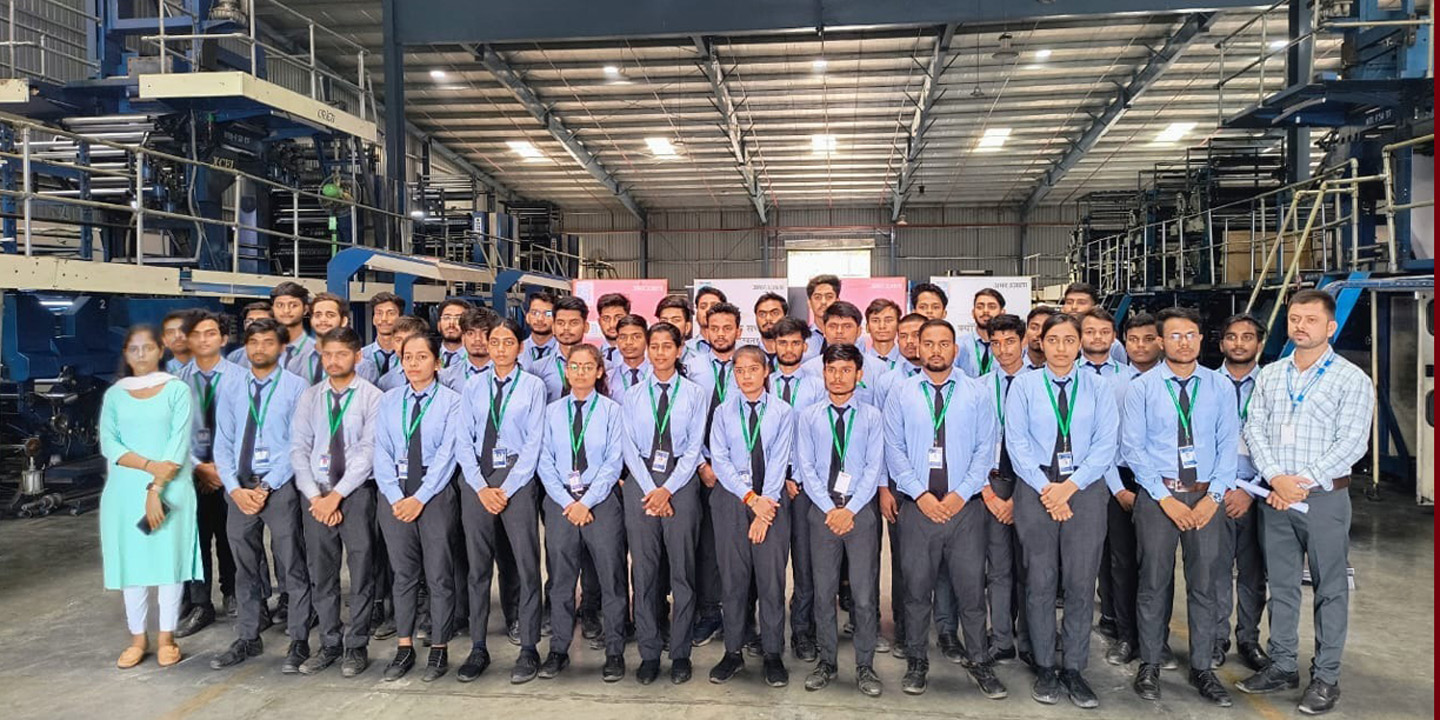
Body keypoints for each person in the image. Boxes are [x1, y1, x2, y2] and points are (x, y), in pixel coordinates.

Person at [1235, 290, 1374, 716]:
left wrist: (1301, 482)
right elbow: (1254, 428)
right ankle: (1281, 665)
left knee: (1330, 590)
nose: (1300, 326)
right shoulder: (1272, 375)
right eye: (1295, 318)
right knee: (1281, 586)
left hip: (1323, 499)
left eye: (1311, 320)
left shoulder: (1351, 379)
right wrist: (1276, 478)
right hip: (1276, 497)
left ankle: (1326, 677)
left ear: (1330, 327)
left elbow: (1352, 442)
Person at [1123, 307, 1238, 707]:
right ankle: (1150, 663)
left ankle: (1203, 667)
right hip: (1159, 497)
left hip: (1206, 498)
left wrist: (1214, 497)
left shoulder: (1219, 386)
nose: (1183, 342)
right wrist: (1165, 498)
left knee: (1205, 584)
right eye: (1174, 336)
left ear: (1201, 339)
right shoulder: (1142, 388)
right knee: (1153, 583)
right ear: (1160, 341)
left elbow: (1228, 444)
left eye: (1190, 334)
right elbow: (1132, 448)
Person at [883, 319, 1003, 699]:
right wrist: (920, 495)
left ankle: (979, 661)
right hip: (918, 509)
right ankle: (917, 661)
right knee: (917, 591)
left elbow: (986, 448)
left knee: (971, 592)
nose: (936, 350)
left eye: (944, 343)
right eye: (929, 343)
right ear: (918, 348)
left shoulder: (976, 392)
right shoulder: (902, 392)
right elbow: (894, 449)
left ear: (955, 349)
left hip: (965, 509)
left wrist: (960, 495)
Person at [1004, 312, 1119, 708]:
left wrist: (1068, 488)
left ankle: (1073, 667)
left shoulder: (1098, 387)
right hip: (1036, 487)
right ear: (1041, 343)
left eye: (1070, 340)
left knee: (1080, 582)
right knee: (1039, 580)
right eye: (1053, 340)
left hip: (1083, 489)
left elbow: (1105, 443)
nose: (1061, 348)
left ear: (1079, 344)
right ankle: (1044, 667)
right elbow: (1016, 442)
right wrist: (1047, 490)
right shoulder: (1025, 385)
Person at [209, 319, 311, 673]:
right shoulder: (231, 387)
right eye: (253, 342)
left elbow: (297, 443)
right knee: (244, 566)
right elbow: (223, 442)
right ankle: (249, 636)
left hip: (279, 488)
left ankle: (299, 639)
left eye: (268, 342)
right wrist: (234, 488)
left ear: (281, 348)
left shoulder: (297, 388)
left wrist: (266, 487)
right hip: (239, 490)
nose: (259, 348)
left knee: (291, 562)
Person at [100, 325, 202, 669]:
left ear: (161, 350)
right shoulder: (115, 395)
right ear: (126, 355)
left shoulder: (177, 390)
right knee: (133, 564)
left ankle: (166, 638)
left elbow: (178, 442)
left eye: (147, 347)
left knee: (167, 562)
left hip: (171, 488)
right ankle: (137, 638)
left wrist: (156, 488)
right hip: (125, 490)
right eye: (134, 349)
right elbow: (110, 443)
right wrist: (148, 467)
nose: (141, 354)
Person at [456, 317, 549, 684]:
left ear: (519, 347)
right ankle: (478, 647)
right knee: (478, 568)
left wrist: (507, 488)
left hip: (517, 480)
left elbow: (534, 441)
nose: (500, 348)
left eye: (508, 342)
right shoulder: (473, 386)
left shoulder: (533, 387)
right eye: (494, 341)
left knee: (527, 565)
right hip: (478, 480)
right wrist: (480, 487)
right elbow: (463, 439)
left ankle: (528, 647)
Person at [289, 327, 383, 678]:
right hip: (316, 495)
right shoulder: (310, 397)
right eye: (327, 354)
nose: (333, 361)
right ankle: (329, 642)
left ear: (357, 356)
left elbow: (368, 451)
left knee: (361, 571)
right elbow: (299, 447)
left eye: (341, 354)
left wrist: (337, 496)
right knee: (322, 573)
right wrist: (316, 497)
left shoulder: (373, 397)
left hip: (355, 495)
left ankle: (356, 645)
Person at [621, 322, 709, 685]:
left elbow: (694, 447)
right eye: (653, 346)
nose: (659, 353)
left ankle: (681, 652)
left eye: (666, 346)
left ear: (679, 350)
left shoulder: (694, 394)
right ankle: (649, 652)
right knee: (644, 572)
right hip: (641, 483)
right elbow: (628, 446)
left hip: (681, 483)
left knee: (682, 571)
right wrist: (652, 490)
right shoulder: (632, 395)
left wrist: (668, 489)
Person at [536, 344, 630, 683]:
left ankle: (615, 651)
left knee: (612, 579)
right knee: (561, 581)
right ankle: (558, 650)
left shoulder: (612, 411)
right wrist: (567, 501)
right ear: (566, 371)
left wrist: (586, 502)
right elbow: (543, 459)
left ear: (599, 371)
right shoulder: (551, 412)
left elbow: (614, 461)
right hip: (560, 501)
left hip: (600, 502)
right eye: (574, 366)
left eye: (588, 366)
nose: (580, 372)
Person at [373, 332, 462, 683]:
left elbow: (447, 455)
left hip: (434, 494)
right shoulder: (389, 401)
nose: (414, 363)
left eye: (422, 356)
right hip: (395, 493)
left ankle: (439, 647)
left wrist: (420, 497)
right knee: (403, 574)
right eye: (408, 357)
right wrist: (395, 496)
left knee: (439, 574)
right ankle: (404, 645)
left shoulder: (452, 402)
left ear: (436, 362)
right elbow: (381, 450)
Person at [796, 344, 885, 697]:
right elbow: (806, 466)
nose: (838, 377)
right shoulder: (809, 416)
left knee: (863, 596)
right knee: (823, 593)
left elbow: (873, 467)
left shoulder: (872, 417)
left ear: (858, 375)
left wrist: (850, 509)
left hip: (860, 514)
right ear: (823, 373)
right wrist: (829, 508)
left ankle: (865, 665)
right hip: (821, 514)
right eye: (831, 370)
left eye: (846, 370)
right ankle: (827, 662)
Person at [706, 346, 795, 688]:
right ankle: (732, 651)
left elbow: (779, 460)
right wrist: (749, 499)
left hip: (771, 504)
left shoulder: (782, 412)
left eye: (752, 369)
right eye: (739, 370)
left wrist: (764, 506)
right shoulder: (723, 412)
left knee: (771, 582)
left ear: (766, 371)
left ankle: (772, 653)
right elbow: (720, 459)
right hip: (733, 501)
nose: (746, 376)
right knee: (733, 581)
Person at [173, 312, 242, 638]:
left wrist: (223, 470)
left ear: (223, 339)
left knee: (233, 536)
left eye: (211, 333)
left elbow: (249, 428)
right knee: (194, 540)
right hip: (192, 472)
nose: (203, 340)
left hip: (232, 473)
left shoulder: (242, 379)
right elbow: (172, 432)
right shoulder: (175, 383)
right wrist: (199, 467)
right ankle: (201, 603)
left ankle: (234, 592)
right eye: (197, 334)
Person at [1214, 313, 1271, 673]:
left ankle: (1248, 639)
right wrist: (1221, 488)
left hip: (1258, 493)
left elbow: (1279, 442)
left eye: (1247, 337)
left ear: (1259, 343)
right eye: (1232, 337)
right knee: (1215, 570)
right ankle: (1217, 638)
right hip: (1216, 493)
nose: (1239, 344)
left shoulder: (1272, 384)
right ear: (1222, 343)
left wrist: (1252, 491)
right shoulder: (1205, 383)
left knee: (1253, 572)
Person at [870, 311, 927, 657]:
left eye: (916, 335)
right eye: (903, 336)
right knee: (903, 560)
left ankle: (943, 629)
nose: (909, 342)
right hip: (898, 483)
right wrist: (883, 487)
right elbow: (880, 437)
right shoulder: (887, 381)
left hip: (939, 482)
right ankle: (904, 630)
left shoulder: (956, 381)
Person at [769, 317, 825, 662]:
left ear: (805, 346)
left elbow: (819, 436)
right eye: (782, 342)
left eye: (795, 343)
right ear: (773, 345)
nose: (788, 349)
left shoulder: (818, 386)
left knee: (805, 563)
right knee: (770, 563)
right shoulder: (761, 381)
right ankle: (766, 629)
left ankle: (803, 630)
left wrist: (798, 477)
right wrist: (779, 479)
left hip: (805, 487)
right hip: (769, 488)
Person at [977, 313, 1030, 666]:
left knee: (1031, 567)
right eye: (996, 343)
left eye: (1010, 341)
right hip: (993, 482)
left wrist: (1023, 494)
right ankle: (1000, 638)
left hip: (1030, 485)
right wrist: (987, 491)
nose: (1003, 350)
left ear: (1023, 342)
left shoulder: (1040, 384)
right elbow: (973, 442)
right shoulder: (979, 387)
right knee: (997, 567)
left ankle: (1030, 637)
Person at [688, 301, 742, 645]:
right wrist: (701, 465)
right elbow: (683, 422)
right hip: (702, 470)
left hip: (738, 475)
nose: (720, 334)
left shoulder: (750, 366)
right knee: (706, 547)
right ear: (705, 330)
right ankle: (709, 613)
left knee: (738, 546)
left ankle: (741, 615)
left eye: (727, 328)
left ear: (738, 330)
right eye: (714, 328)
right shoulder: (691, 366)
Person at [289, 292, 366, 385]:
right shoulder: (296, 363)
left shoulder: (361, 366)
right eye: (318, 315)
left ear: (344, 321)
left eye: (330, 315)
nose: (323, 320)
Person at [1061, 282, 1125, 364]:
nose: (1074, 307)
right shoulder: (1054, 338)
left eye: (1081, 303)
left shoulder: (1112, 345)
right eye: (1069, 302)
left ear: (1095, 307)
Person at [440, 307, 498, 392]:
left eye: (484, 333)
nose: (478, 339)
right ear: (463, 338)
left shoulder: (509, 373)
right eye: (471, 333)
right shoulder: (447, 377)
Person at [955, 289, 1005, 378]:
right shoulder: (959, 344)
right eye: (980, 307)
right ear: (973, 312)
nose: (985, 311)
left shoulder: (1008, 346)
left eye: (991, 307)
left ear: (1002, 313)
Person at [360, 292, 405, 382]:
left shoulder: (408, 356)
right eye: (379, 313)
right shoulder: (360, 356)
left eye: (391, 313)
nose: (384, 318)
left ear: (401, 318)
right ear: (373, 319)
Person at [608, 314, 652, 399]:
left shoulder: (658, 375)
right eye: (623, 337)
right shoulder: (608, 379)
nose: (628, 342)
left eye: (636, 337)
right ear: (617, 340)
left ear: (647, 339)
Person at [803, 275, 841, 360]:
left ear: (837, 301)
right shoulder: (801, 338)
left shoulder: (853, 338)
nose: (823, 302)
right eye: (817, 297)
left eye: (829, 297)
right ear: (809, 303)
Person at [656, 295, 700, 368]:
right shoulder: (650, 360)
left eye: (675, 320)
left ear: (687, 327)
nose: (669, 324)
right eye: (664, 320)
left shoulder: (699, 362)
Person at [519, 292, 560, 371]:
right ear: (527, 317)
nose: (540, 319)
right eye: (535, 313)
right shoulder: (516, 351)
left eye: (548, 314)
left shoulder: (563, 351)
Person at [225, 301, 274, 366]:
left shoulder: (283, 355)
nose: (254, 325)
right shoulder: (234, 357)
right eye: (249, 321)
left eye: (260, 321)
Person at [860, 299, 902, 373]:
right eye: (875, 321)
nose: (882, 326)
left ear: (898, 325)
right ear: (867, 327)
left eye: (888, 320)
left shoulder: (909, 362)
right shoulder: (859, 363)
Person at [435, 299, 474, 369]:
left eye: (458, 318)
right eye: (446, 318)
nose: (451, 323)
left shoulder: (478, 356)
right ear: (438, 325)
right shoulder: (429, 352)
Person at [692, 286, 729, 356]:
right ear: (696, 315)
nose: (708, 310)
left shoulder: (741, 350)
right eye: (703, 307)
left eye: (714, 306)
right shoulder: (685, 349)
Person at [596, 292, 632, 364]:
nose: (612, 324)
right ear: (599, 322)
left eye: (618, 317)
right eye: (606, 318)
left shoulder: (643, 356)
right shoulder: (593, 355)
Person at [753, 292, 789, 363]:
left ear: (785, 317)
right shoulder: (749, 356)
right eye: (762, 314)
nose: (768, 318)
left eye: (775, 313)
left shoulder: (797, 356)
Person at [161, 310, 196, 374]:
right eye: (170, 332)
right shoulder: (160, 372)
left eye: (183, 330)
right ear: (164, 340)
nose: (177, 336)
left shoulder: (211, 364)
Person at [1023, 305, 1056, 370]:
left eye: (1045, 328)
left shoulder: (1064, 365)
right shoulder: (1012, 360)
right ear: (1026, 330)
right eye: (1034, 328)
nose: (1039, 333)